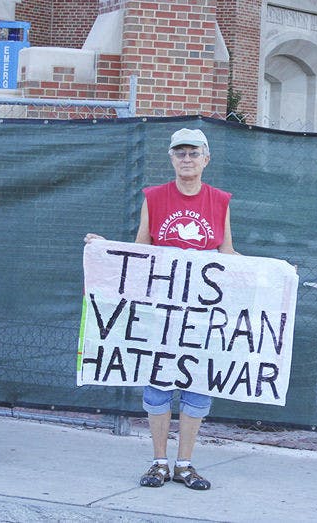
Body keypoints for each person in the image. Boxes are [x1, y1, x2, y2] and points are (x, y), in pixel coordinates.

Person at [85, 127, 237, 491]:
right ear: (171, 158)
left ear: (206, 159)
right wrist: (107, 250)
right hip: (161, 311)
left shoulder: (220, 200)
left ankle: (185, 463)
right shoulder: (154, 198)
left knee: (197, 386)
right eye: (180, 153)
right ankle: (158, 461)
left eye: (193, 153)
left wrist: (273, 273)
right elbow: (141, 251)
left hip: (200, 314)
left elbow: (227, 253)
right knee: (158, 385)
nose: (187, 159)